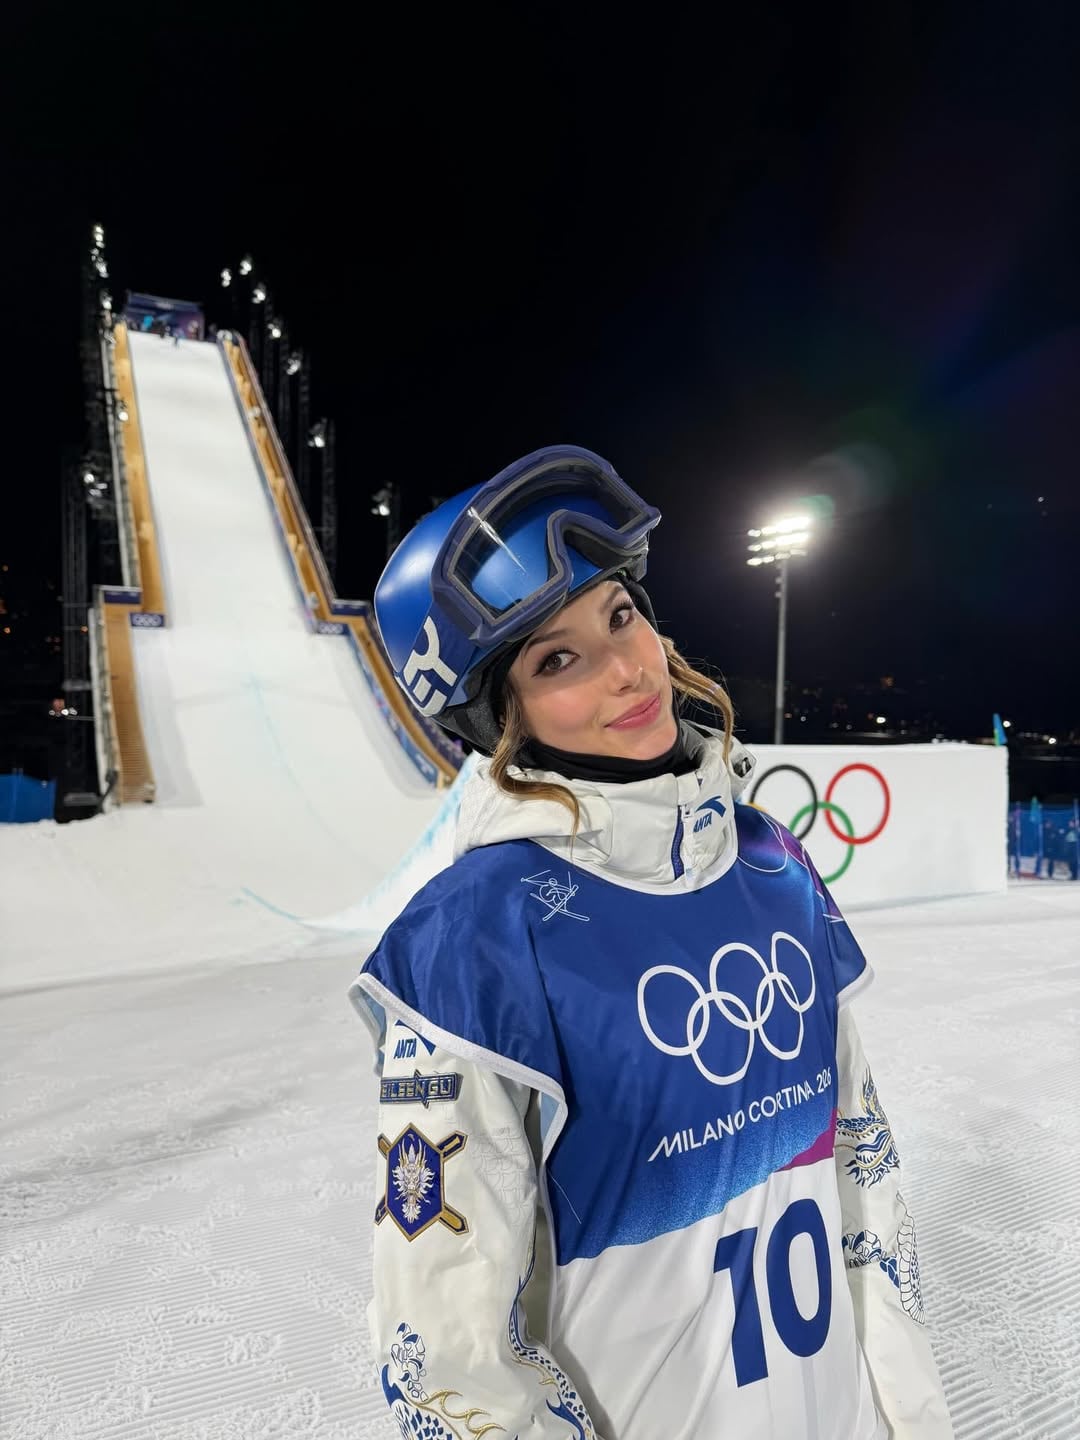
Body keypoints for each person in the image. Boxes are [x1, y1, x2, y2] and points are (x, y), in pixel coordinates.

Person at [350, 445, 953, 1440]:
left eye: (620, 615)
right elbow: (447, 1345)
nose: (627, 670)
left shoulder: (773, 863)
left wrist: (907, 1415)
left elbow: (865, 1178)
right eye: (556, 660)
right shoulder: (473, 938)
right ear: (500, 716)